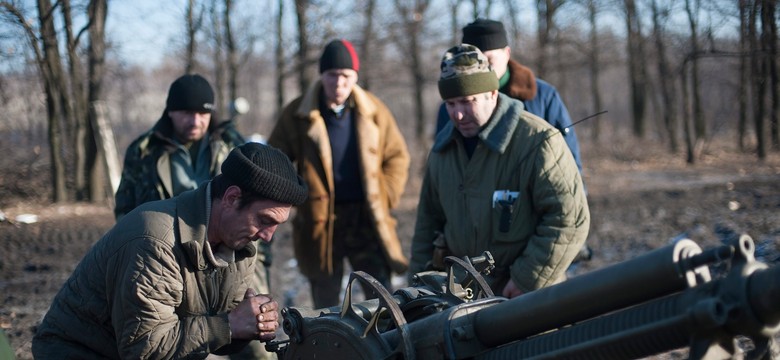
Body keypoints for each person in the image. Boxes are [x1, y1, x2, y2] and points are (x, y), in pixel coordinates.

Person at [32, 143, 308, 359]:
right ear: (232, 198)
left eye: (277, 225)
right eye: (264, 220)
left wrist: (250, 323)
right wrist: (229, 325)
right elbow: (144, 349)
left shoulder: (241, 242)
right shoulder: (155, 241)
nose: (268, 236)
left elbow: (218, 334)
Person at [113, 74, 275, 359]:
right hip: (167, 259)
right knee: (174, 341)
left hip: (233, 255)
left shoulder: (231, 144)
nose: (196, 120)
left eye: (203, 113)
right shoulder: (144, 152)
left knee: (258, 342)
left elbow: (260, 210)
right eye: (187, 112)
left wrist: (261, 259)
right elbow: (124, 210)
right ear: (170, 112)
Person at [409, 44, 590, 299]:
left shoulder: (538, 140)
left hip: (528, 298)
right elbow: (427, 228)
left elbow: (569, 219)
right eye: (450, 104)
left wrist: (527, 279)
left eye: (467, 101)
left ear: (492, 94)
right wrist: (416, 293)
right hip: (461, 300)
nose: (458, 114)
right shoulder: (443, 151)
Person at [268, 39, 411, 309]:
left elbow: (397, 157)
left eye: (345, 76)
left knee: (381, 295)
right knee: (326, 301)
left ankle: (388, 347)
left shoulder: (374, 110)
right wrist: (297, 198)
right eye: (332, 75)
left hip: (365, 217)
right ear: (322, 75)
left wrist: (385, 195)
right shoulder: (299, 113)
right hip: (320, 223)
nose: (339, 83)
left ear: (354, 77)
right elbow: (275, 160)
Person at [434, 18, 583, 173]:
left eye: (488, 60)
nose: (484, 69)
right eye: (475, 64)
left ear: (507, 53)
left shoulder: (542, 95)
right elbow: (443, 165)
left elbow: (568, 157)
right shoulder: (452, 108)